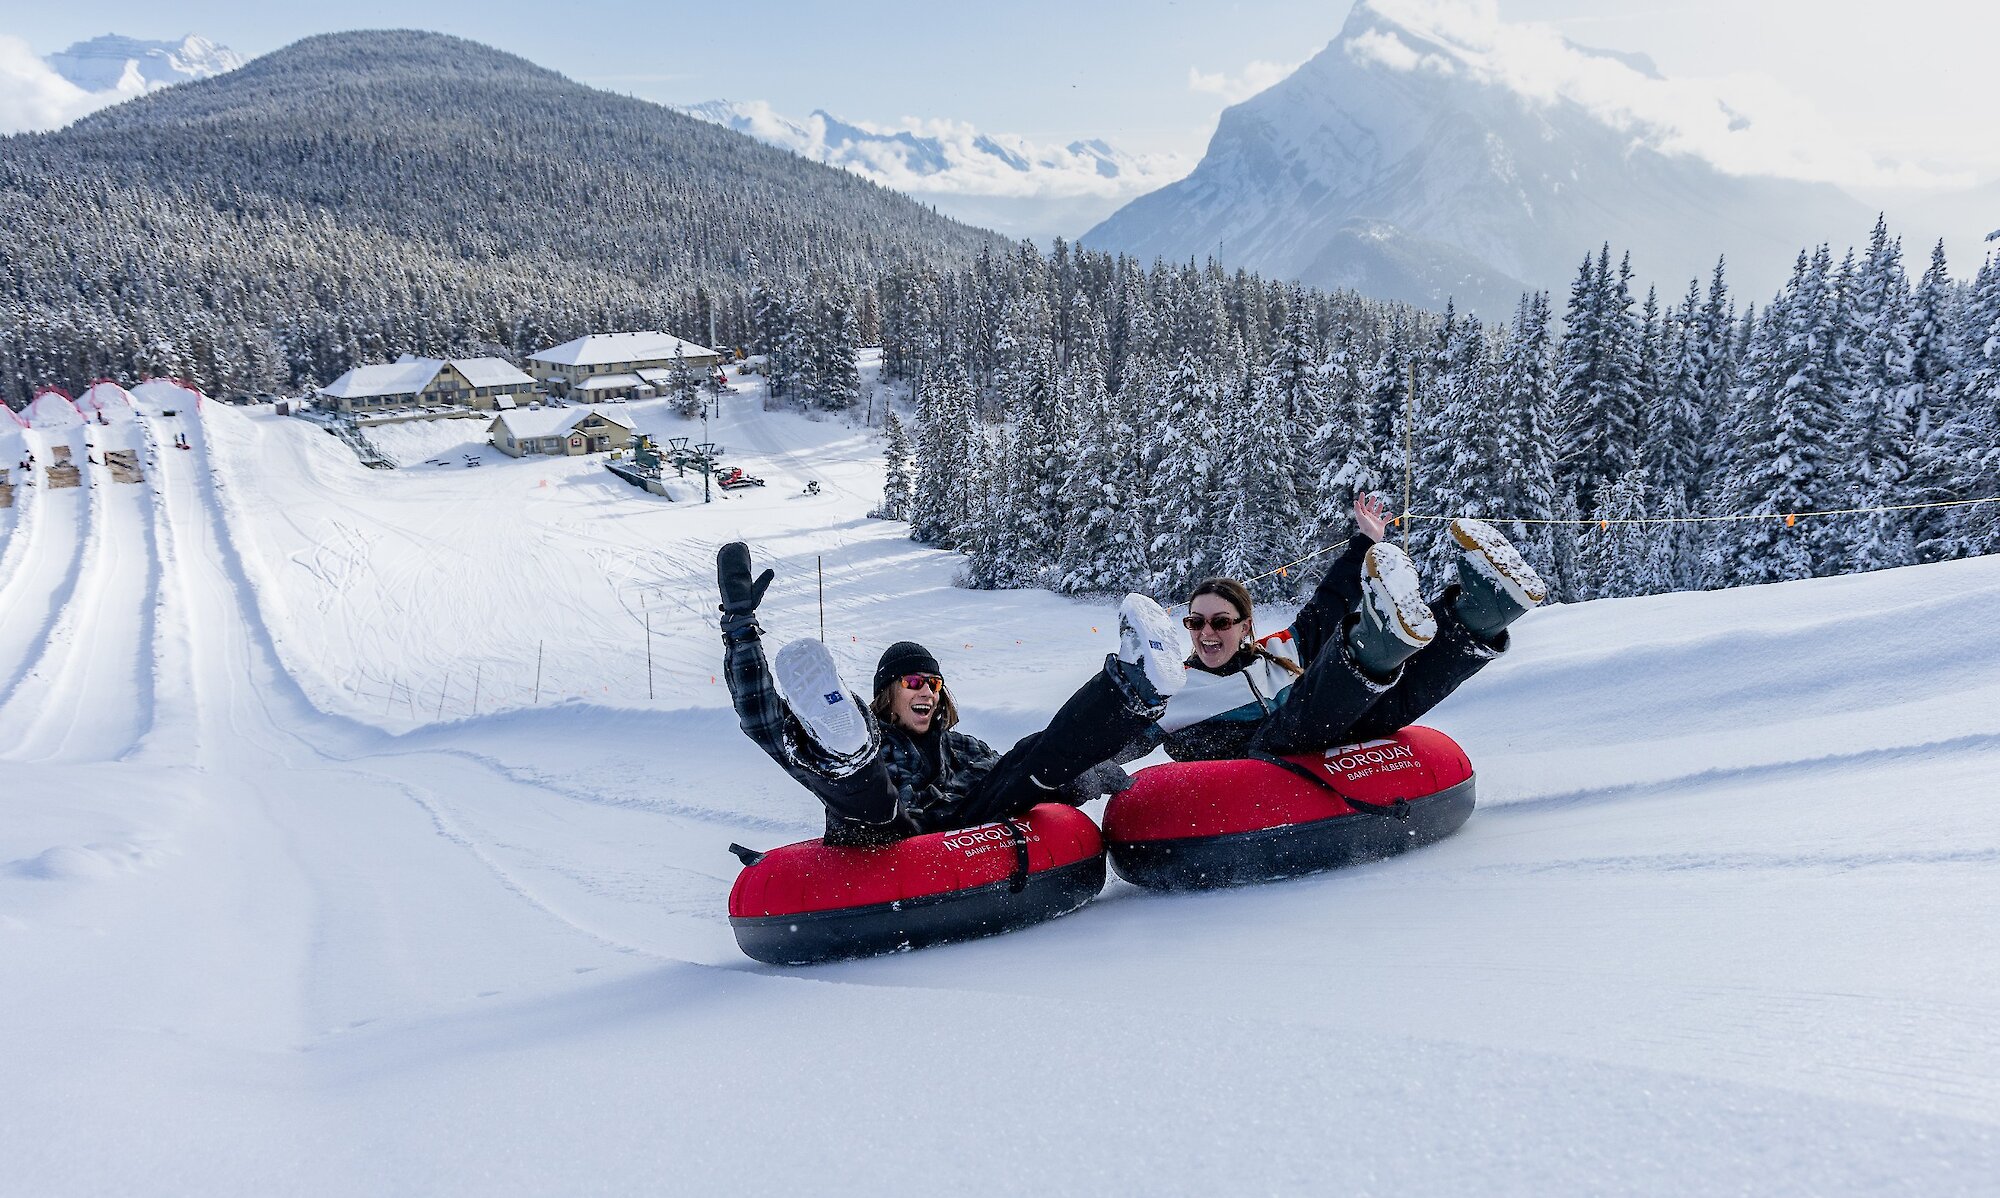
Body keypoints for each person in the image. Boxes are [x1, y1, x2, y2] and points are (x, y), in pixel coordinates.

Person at [717, 542, 1186, 846]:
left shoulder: (962, 747)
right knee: (870, 790)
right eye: (913, 682)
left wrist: (1078, 773)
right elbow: (761, 722)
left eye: (934, 683)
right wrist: (740, 631)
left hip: (964, 830)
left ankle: (1129, 689)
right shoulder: (882, 741)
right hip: (883, 835)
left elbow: (1022, 781)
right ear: (887, 694)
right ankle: (842, 751)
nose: (928, 691)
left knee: (1024, 756)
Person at [1122, 494, 1547, 764]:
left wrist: (1365, 542)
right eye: (1195, 622)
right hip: (1258, 762)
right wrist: (1080, 770)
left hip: (1321, 736)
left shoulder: (1278, 652)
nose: (1206, 633)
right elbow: (1119, 737)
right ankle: (1380, 640)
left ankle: (1483, 610)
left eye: (1220, 621)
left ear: (1245, 626)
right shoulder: (1174, 689)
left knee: (1388, 699)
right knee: (1301, 715)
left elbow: (1328, 603)